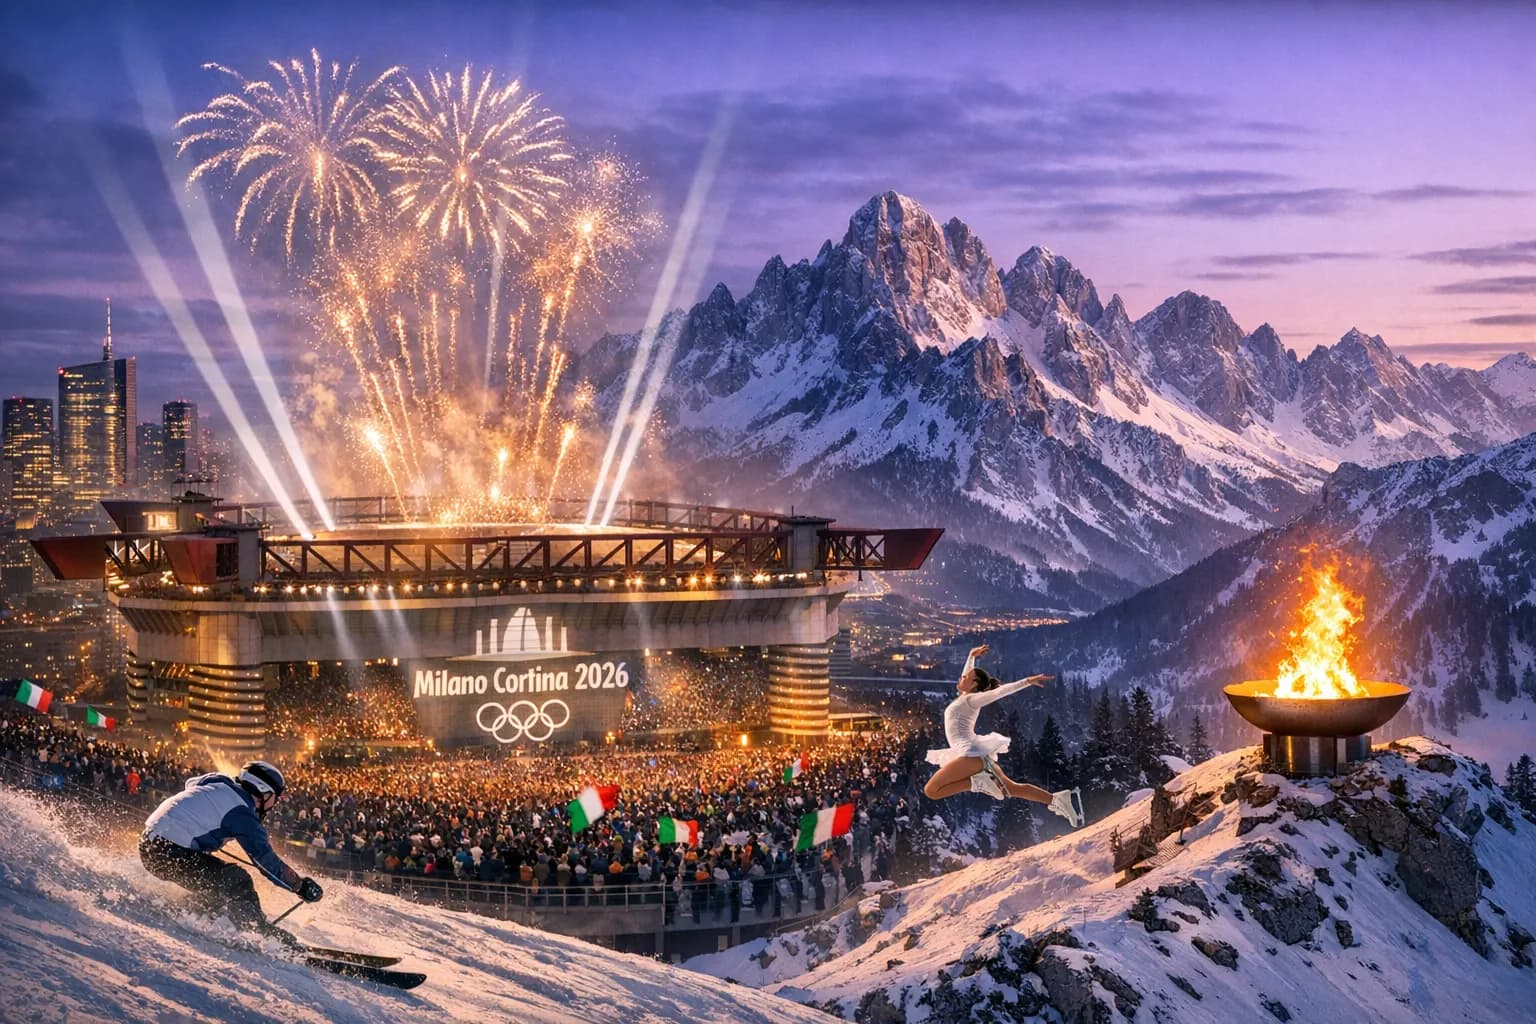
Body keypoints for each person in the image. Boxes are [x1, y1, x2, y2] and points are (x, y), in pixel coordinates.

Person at [139, 760, 323, 940]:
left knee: (219, 885)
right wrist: (300, 886)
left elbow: (192, 784)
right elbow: (265, 861)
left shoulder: (218, 782)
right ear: (264, 792)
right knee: (237, 880)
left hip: (150, 843)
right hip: (169, 855)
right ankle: (257, 933)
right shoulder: (242, 815)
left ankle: (186, 910)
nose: (275, 804)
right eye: (276, 797)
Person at [922, 644, 1084, 827]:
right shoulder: (965, 696)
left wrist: (1027, 681)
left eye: (965, 677)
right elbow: (968, 677)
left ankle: (976, 783)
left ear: (974, 684)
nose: (961, 677)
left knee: (932, 790)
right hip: (975, 756)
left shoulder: (971, 699)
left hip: (970, 755)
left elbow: (999, 692)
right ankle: (1057, 800)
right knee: (1012, 788)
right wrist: (971, 656)